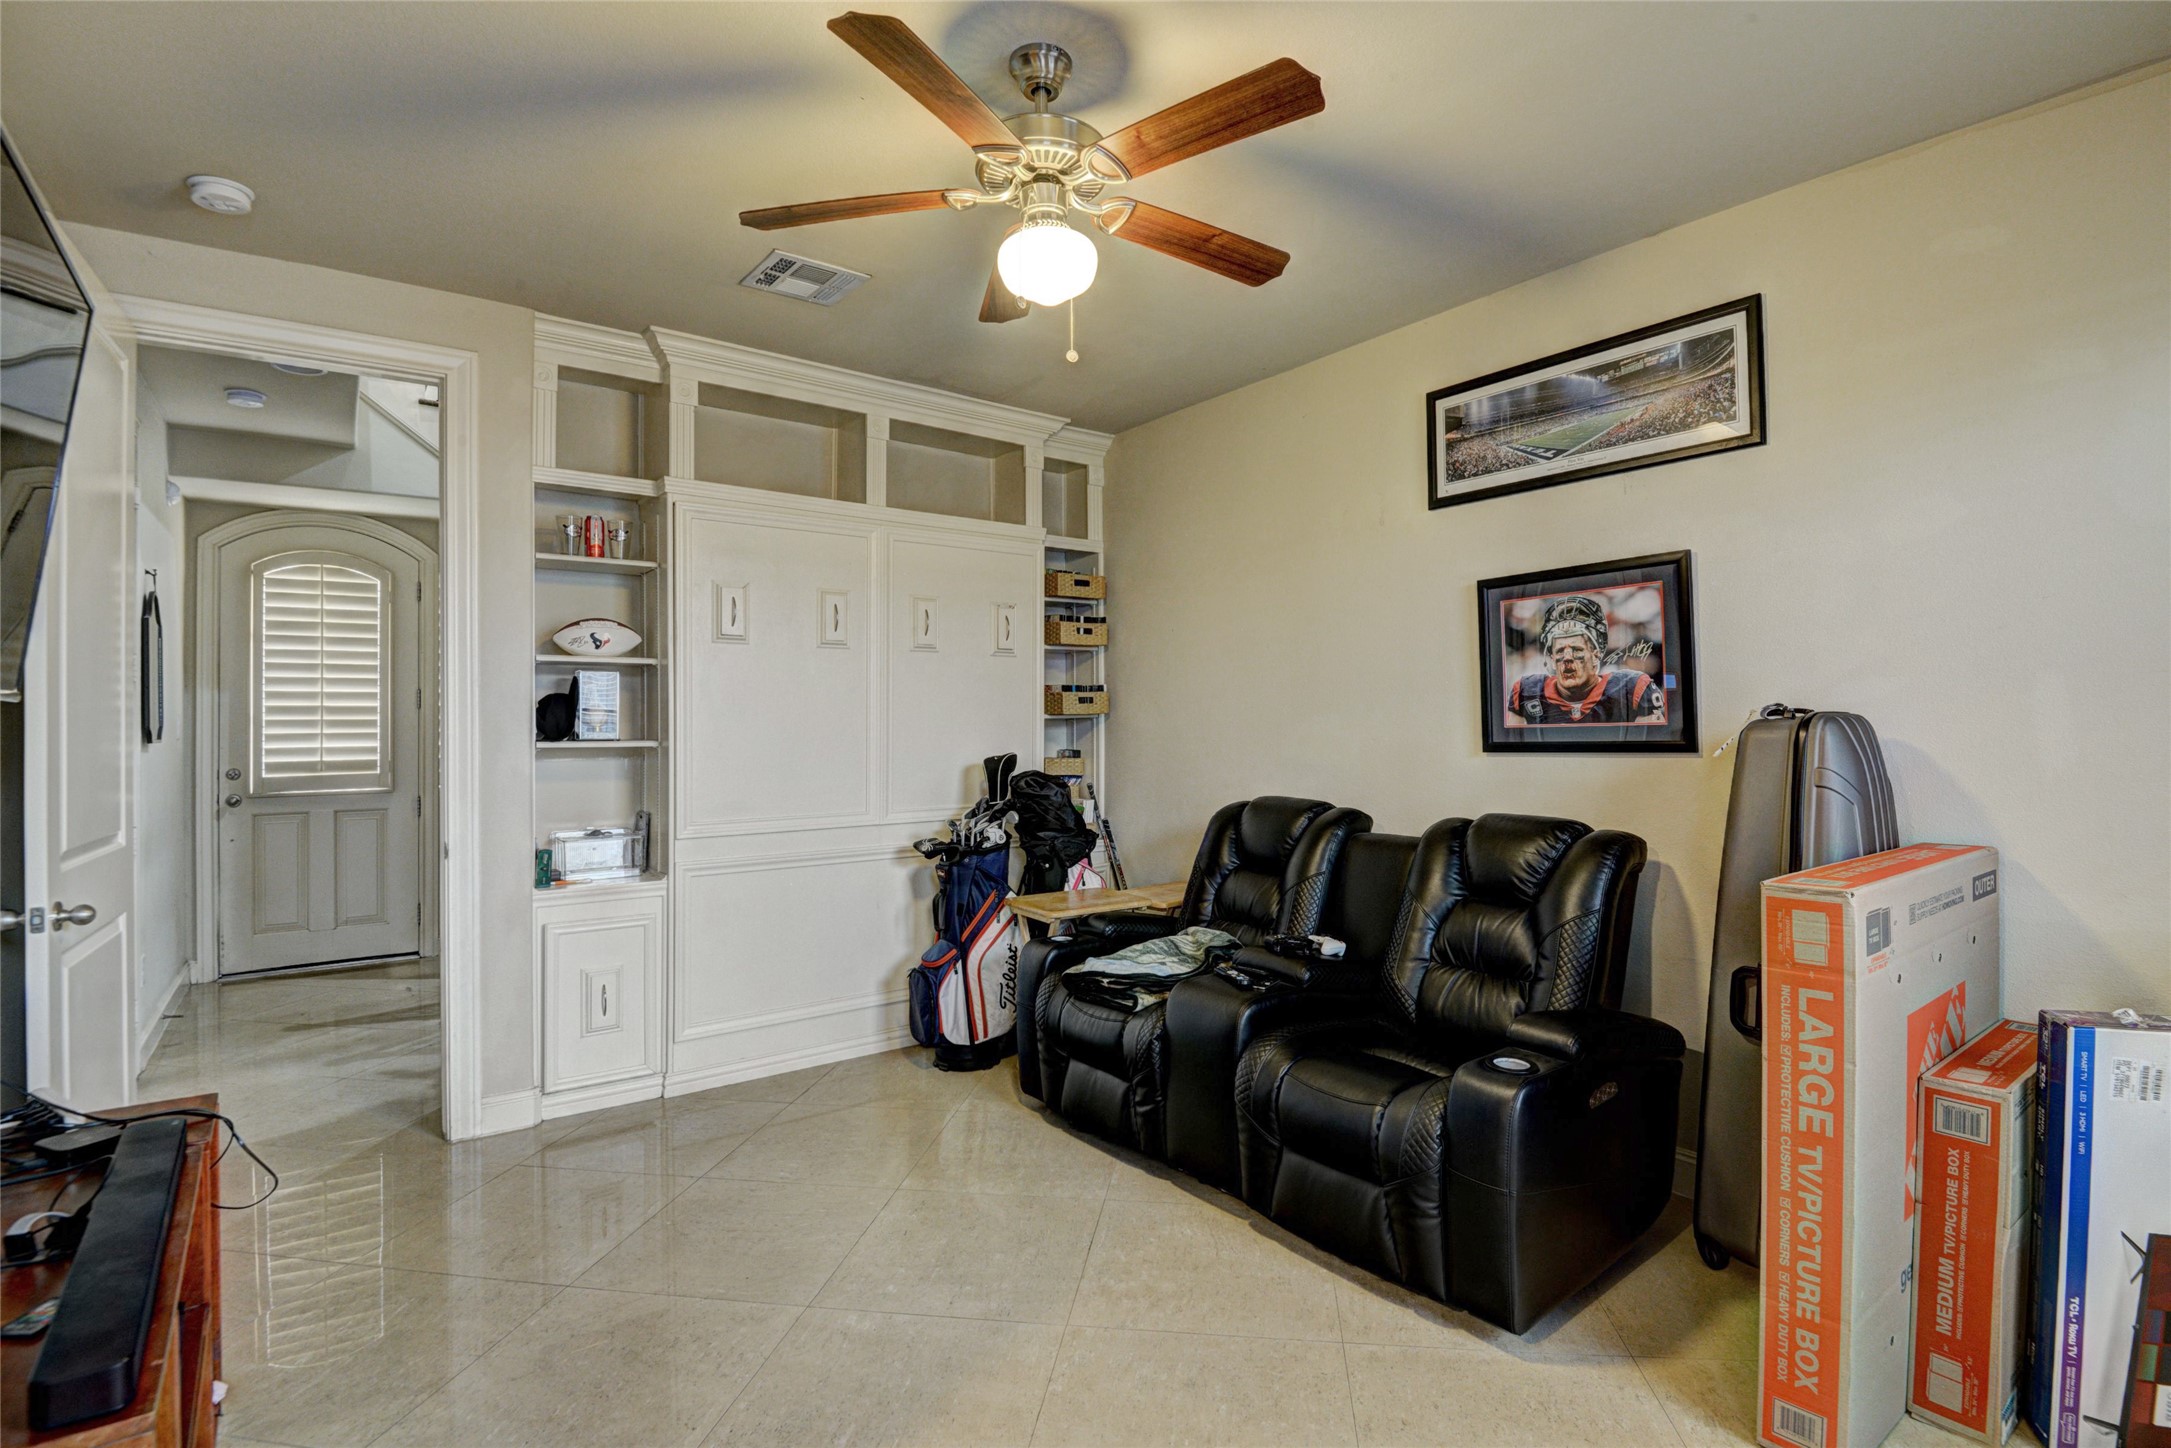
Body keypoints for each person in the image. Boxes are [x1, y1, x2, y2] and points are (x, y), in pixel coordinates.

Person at [1507, 595, 1665, 725]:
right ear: (1552, 657)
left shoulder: (1633, 686)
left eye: (1577, 650)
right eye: (1560, 651)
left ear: (1595, 654)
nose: (1567, 659)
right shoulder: (1528, 690)